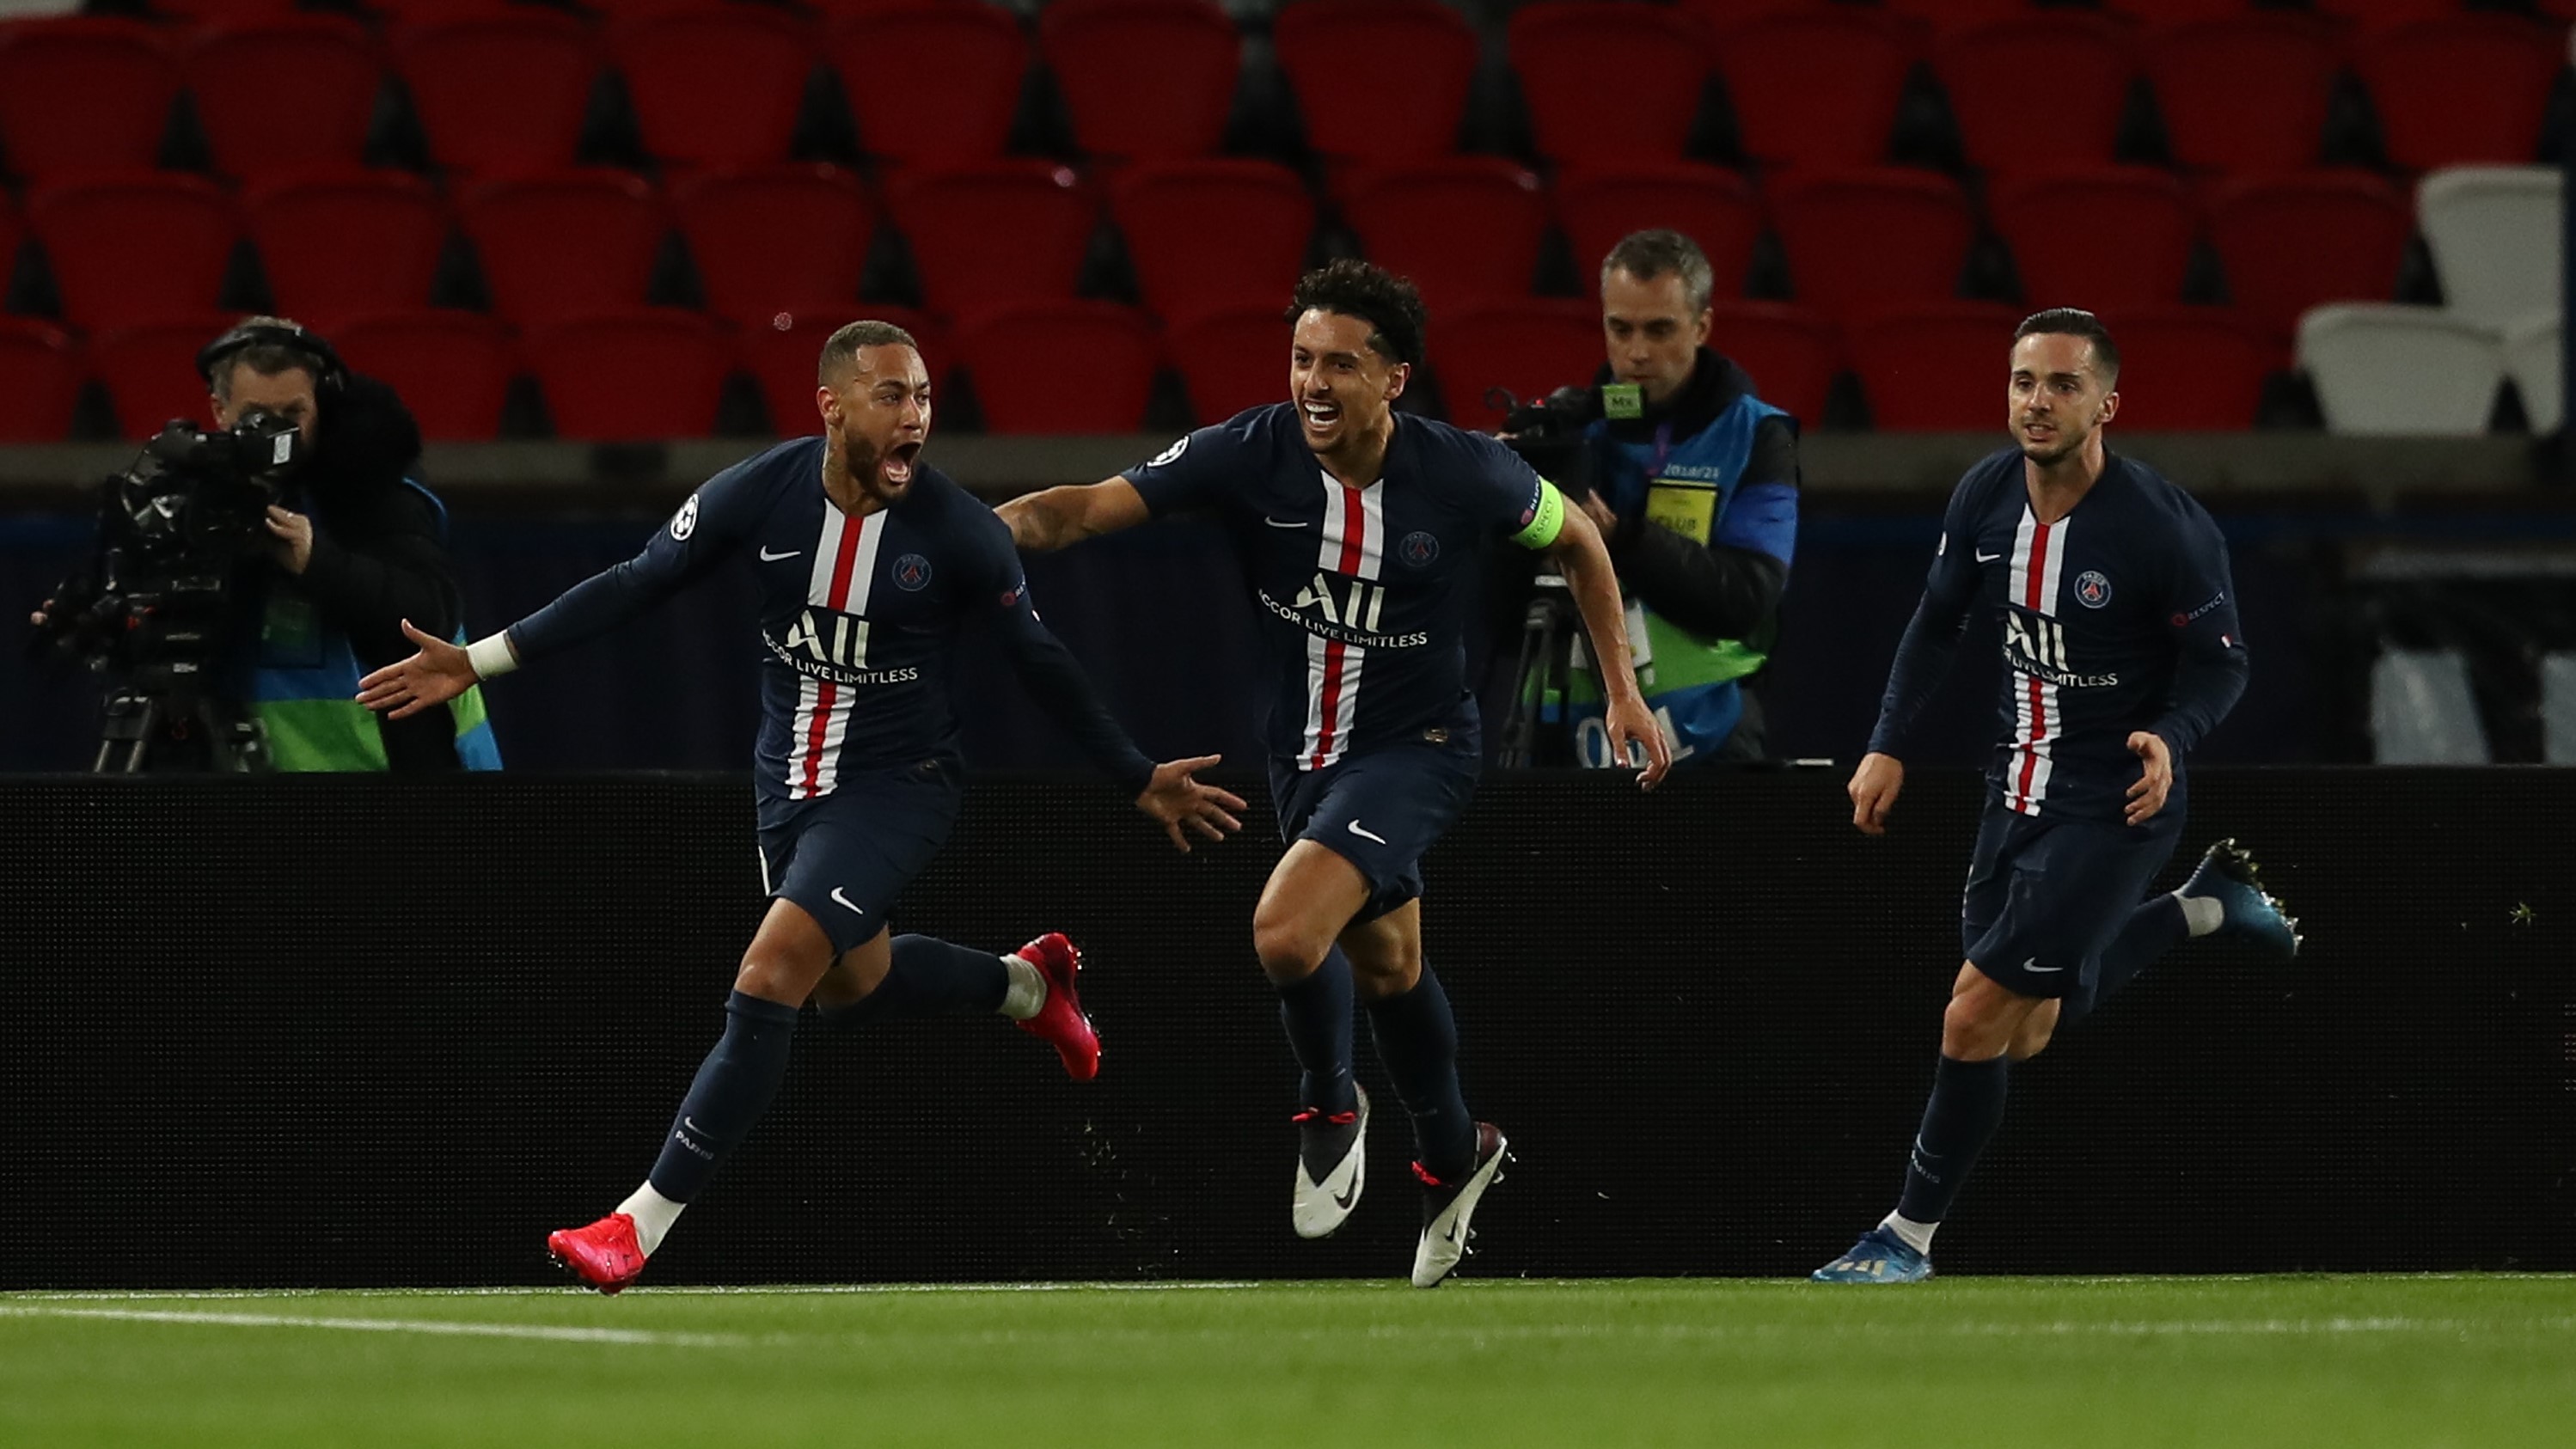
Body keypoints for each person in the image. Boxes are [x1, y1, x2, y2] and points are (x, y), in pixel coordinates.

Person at [356, 320, 1245, 1293]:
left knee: (773, 968)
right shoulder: (759, 493)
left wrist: (1134, 775)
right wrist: (477, 659)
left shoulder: (959, 534)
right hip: (788, 784)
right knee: (852, 989)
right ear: (831, 406)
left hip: (899, 787)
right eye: (890, 396)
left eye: (923, 398)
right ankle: (1027, 986)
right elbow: (636, 583)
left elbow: (1041, 664)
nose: (914, 418)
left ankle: (635, 1227)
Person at [1000, 261, 1673, 1287]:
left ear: (1394, 380)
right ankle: (1454, 1151)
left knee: (1285, 931)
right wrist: (971, 535)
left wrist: (1621, 689)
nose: (1314, 383)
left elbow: (1579, 539)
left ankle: (1327, 1103)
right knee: (1391, 967)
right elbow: (1083, 510)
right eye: (1302, 359)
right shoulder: (1248, 451)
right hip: (1303, 760)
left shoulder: (1464, 471)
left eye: (1341, 365)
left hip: (1421, 749)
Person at [1811, 309, 2302, 1285]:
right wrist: (1887, 742)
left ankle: (1904, 1239)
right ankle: (2205, 908)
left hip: (2115, 806)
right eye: (2024, 381)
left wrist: (2170, 736)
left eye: (2064, 384)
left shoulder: (2161, 527)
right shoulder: (1984, 495)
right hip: (2016, 787)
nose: (2038, 401)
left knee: (1971, 1018)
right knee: (2023, 1032)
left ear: (2106, 405)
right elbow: (1936, 621)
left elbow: (2223, 664)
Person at [31, 316, 501, 771]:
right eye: (257, 417)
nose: (278, 434)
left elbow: (431, 612)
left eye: (293, 414)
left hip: (391, 769)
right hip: (259, 768)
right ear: (219, 410)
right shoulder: (201, 495)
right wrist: (105, 621)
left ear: (320, 403)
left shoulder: (376, 488)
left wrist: (315, 560)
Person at [1558, 229, 1801, 766]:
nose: (1637, 352)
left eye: (1660, 329)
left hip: (1711, 738)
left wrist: (1619, 536)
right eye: (1620, 329)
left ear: (1702, 327)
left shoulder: (1759, 435)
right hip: (1572, 737)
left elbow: (1747, 598)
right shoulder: (1569, 434)